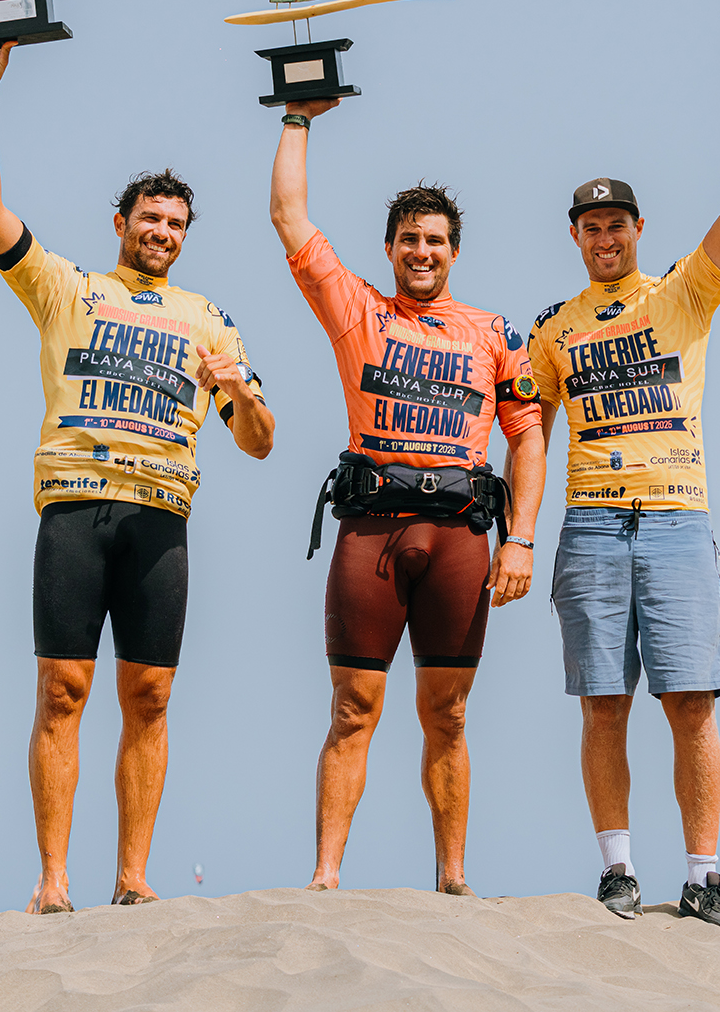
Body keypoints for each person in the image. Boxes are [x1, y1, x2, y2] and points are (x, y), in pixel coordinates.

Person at [0, 40, 275, 913]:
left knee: (150, 694)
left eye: (175, 224)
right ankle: (53, 879)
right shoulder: (69, 289)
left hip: (158, 521)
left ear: (186, 236)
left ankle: (133, 876)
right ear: (121, 224)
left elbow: (259, 442)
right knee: (62, 690)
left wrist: (238, 390)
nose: (161, 232)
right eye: (149, 218)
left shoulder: (208, 320)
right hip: (74, 511)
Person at [526, 69, 720, 934]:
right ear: (574, 235)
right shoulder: (554, 327)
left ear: (638, 229)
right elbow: (530, 428)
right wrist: (516, 533)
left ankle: (704, 876)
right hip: (591, 521)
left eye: (617, 224)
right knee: (602, 702)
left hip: (677, 516)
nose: (604, 236)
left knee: (692, 701)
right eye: (591, 226)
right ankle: (617, 868)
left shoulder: (683, 292)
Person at [268, 96, 546, 895]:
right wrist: (297, 119)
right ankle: (325, 875)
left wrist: (521, 538)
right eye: (409, 239)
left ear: (455, 250)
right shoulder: (358, 309)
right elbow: (288, 215)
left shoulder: (494, 332)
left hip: (459, 536)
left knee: (448, 714)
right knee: (352, 708)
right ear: (388, 247)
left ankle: (452, 878)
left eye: (435, 241)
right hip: (373, 531)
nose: (422, 251)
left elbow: (528, 434)